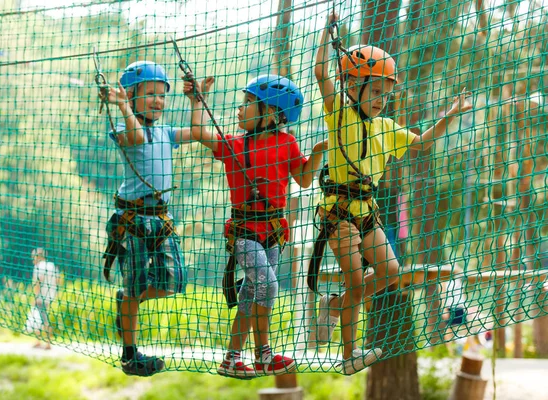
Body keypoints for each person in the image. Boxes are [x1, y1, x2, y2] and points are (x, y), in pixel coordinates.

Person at [310, 13, 473, 374]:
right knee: (356, 281)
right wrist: (327, 30)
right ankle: (350, 353)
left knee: (389, 272)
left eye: (387, 92)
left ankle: (336, 306)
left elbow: (421, 145)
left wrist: (450, 114)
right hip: (338, 211)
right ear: (352, 85)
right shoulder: (339, 113)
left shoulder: (387, 127)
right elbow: (322, 74)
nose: (383, 99)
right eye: (376, 91)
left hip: (367, 211)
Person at [185, 73, 326, 379]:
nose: (239, 108)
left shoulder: (287, 142)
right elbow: (198, 131)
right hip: (245, 231)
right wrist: (198, 99)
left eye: (248, 103)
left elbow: (303, 178)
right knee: (268, 284)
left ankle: (232, 359)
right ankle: (263, 355)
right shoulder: (233, 144)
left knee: (252, 294)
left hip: (273, 231)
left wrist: (316, 155)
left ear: (271, 113)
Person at [100, 61, 208, 376]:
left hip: (161, 218)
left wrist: (196, 100)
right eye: (150, 94)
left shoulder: (166, 132)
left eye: (162, 95)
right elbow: (135, 138)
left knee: (174, 281)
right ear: (132, 96)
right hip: (132, 219)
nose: (158, 101)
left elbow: (200, 132)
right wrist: (121, 107)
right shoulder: (122, 128)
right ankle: (130, 354)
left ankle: (127, 301)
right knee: (135, 285)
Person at [31, 248, 60, 350]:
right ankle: (38, 341)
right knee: (40, 317)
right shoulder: (52, 265)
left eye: (33, 257)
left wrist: (35, 296)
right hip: (50, 295)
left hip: (41, 296)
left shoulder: (38, 267)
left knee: (42, 319)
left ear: (38, 256)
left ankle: (47, 343)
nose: (32, 259)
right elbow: (58, 279)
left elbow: (37, 283)